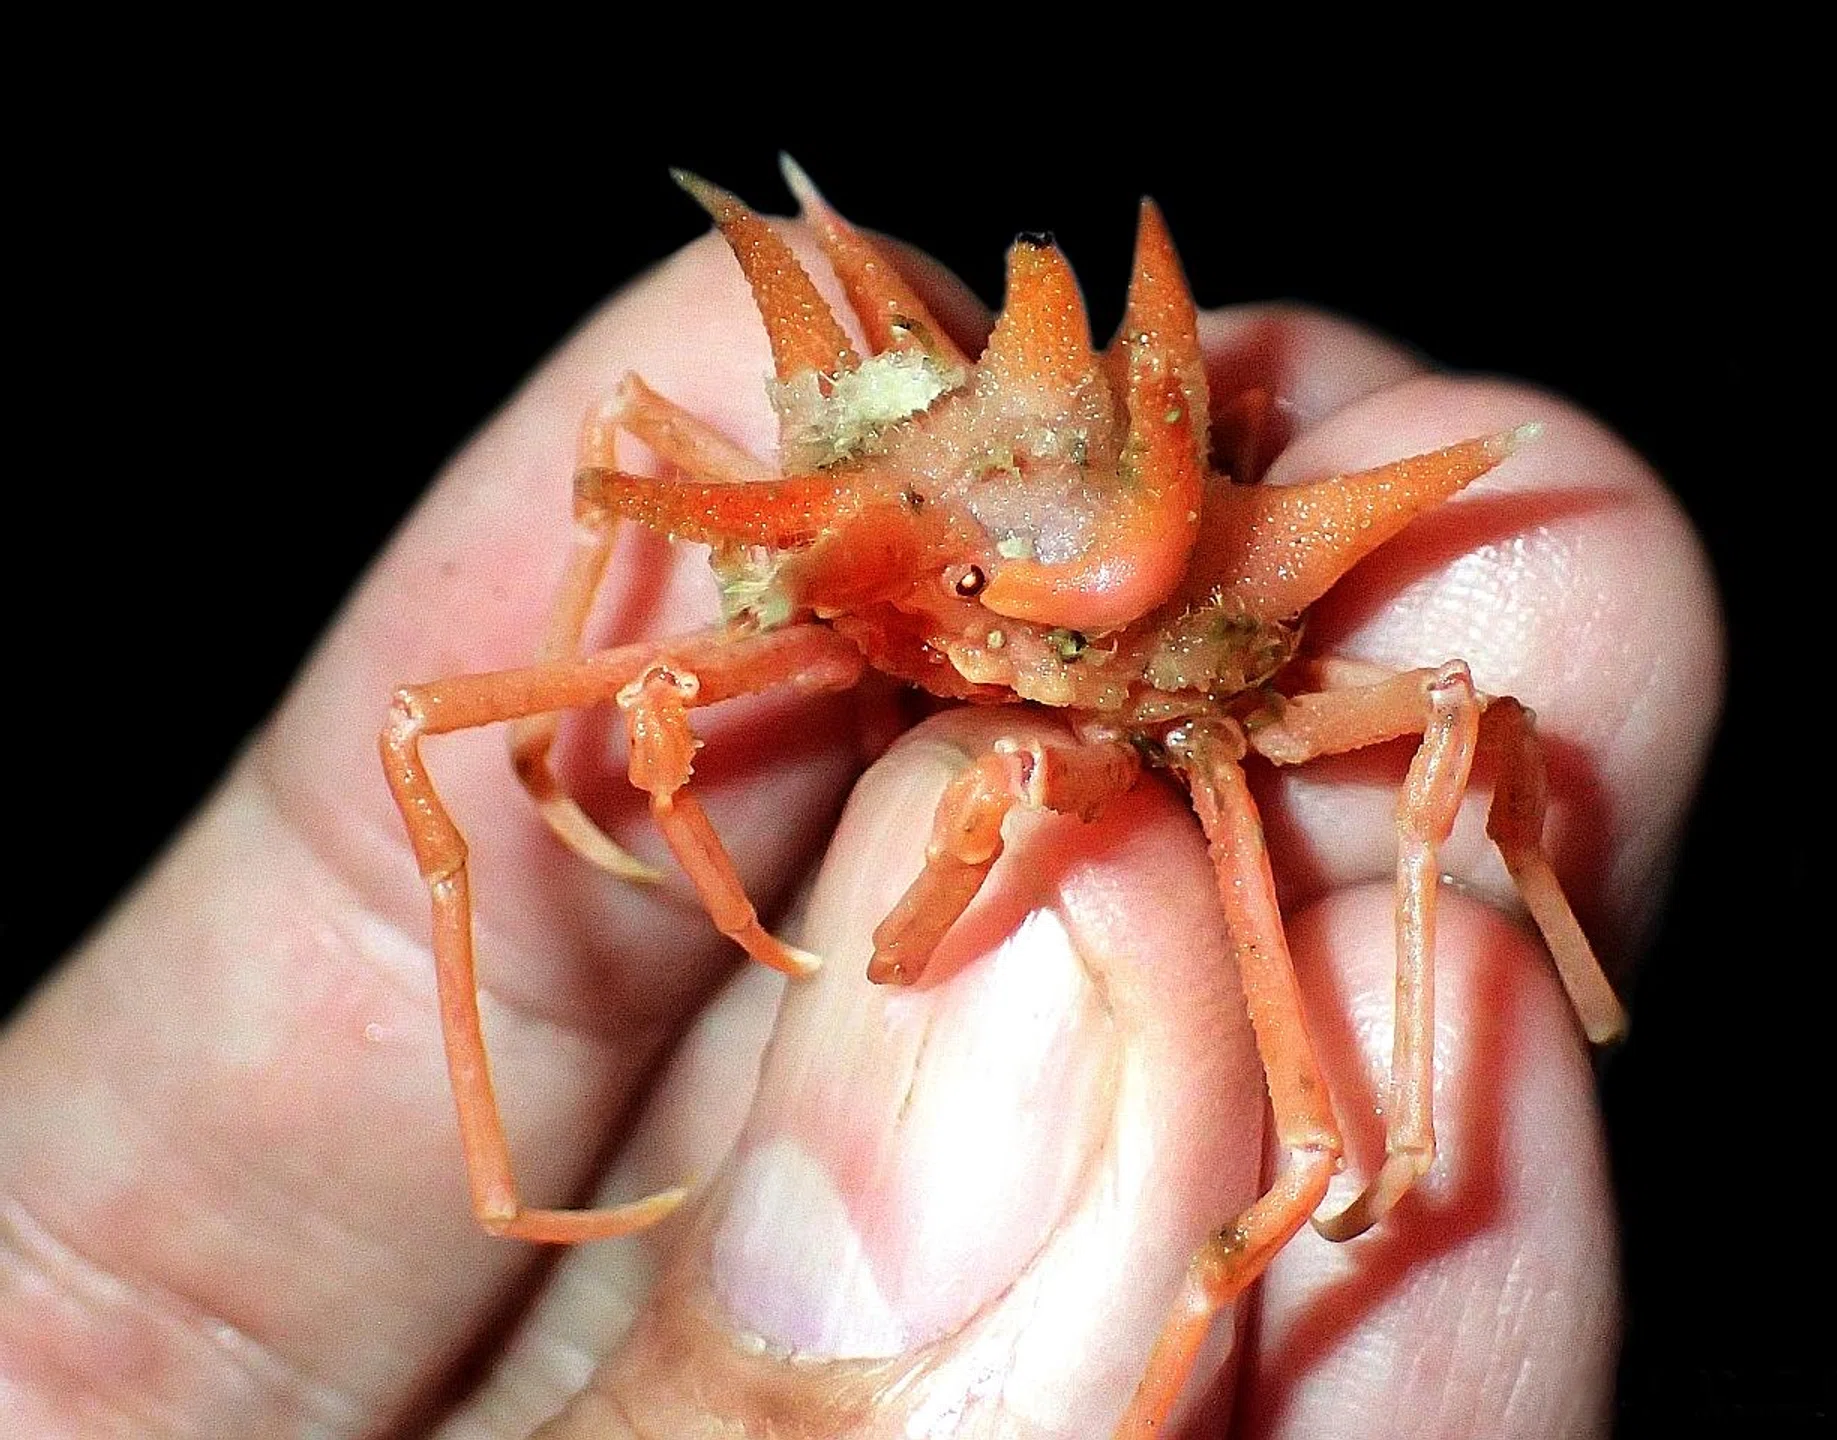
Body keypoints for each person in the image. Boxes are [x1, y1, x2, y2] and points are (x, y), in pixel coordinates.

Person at [0, 224, 1721, 1436]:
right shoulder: (896, 567)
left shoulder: (1159, 626)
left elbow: (1441, 753)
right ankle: (514, 1183)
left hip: (1178, 718)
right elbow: (536, 620)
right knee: (437, 718)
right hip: (959, 625)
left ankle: (1553, 963)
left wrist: (1428, 1090)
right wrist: (601, 766)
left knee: (1340, 1118)